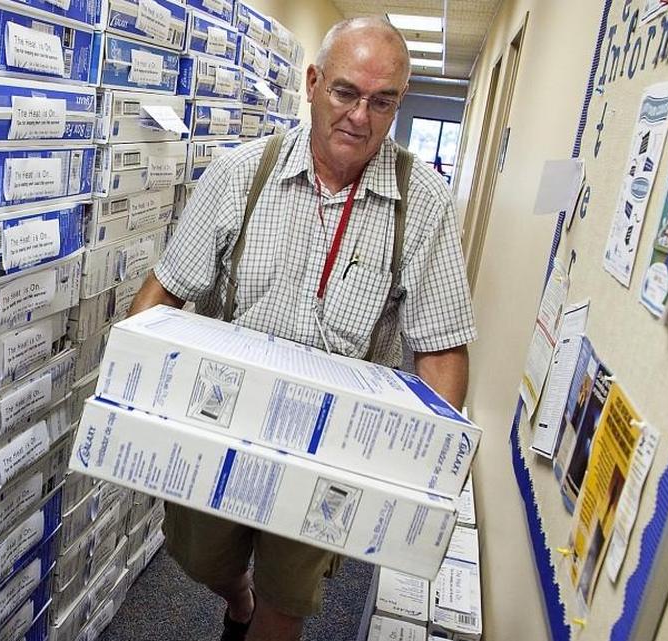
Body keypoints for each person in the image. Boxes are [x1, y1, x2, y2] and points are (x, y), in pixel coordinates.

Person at [128, 16, 476, 641]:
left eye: (383, 101)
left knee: (288, 601)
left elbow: (442, 351)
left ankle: (264, 611)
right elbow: (164, 291)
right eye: (345, 93)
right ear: (313, 84)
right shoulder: (240, 175)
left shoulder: (423, 204)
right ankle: (239, 599)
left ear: (398, 105)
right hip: (225, 423)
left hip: (333, 450)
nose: (360, 118)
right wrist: (134, 392)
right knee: (200, 559)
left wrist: (425, 475)